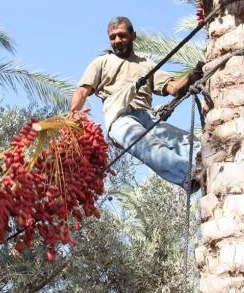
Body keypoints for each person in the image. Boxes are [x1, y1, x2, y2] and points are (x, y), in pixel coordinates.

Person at [70, 16, 201, 191]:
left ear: (133, 36)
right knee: (149, 146)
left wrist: (192, 76)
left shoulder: (147, 64)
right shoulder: (102, 62)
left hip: (147, 116)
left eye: (122, 35)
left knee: (185, 141)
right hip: (120, 118)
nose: (117, 41)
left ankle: (209, 163)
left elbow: (172, 88)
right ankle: (188, 175)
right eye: (113, 37)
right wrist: (71, 119)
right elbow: (82, 91)